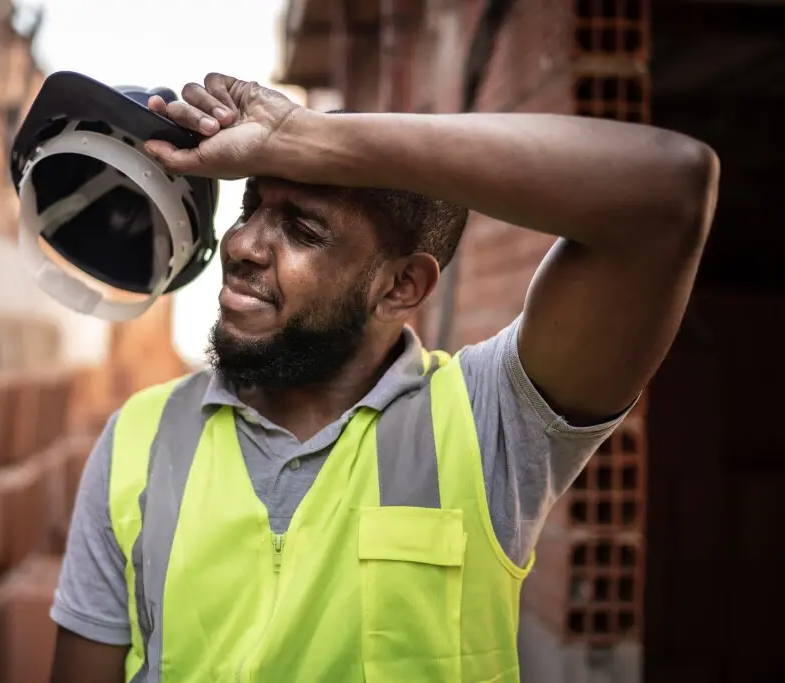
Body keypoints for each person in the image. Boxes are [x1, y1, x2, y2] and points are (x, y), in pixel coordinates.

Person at [49, 74, 719, 683]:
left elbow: (672, 189)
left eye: (303, 230)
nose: (245, 244)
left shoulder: (486, 424)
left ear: (400, 286)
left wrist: (306, 135)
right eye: (252, 205)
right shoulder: (138, 437)